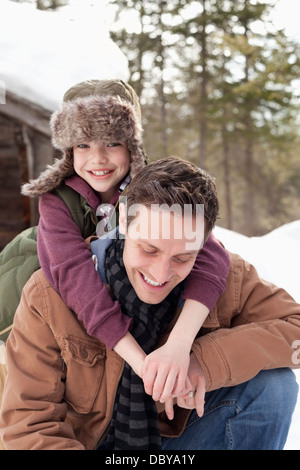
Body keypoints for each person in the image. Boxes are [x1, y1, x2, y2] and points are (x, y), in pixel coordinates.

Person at [0, 156, 299, 450]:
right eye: (149, 249)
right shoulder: (47, 297)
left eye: (183, 258)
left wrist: (202, 363)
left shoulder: (228, 279)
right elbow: (29, 427)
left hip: (169, 442)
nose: (160, 273)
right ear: (125, 225)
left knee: (274, 387)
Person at [20, 79, 230, 401]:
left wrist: (179, 343)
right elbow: (76, 279)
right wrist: (142, 365)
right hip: (35, 302)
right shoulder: (56, 200)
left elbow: (209, 254)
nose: (98, 159)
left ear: (132, 144)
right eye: (83, 145)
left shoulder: (151, 190)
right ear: (68, 149)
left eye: (112, 143)